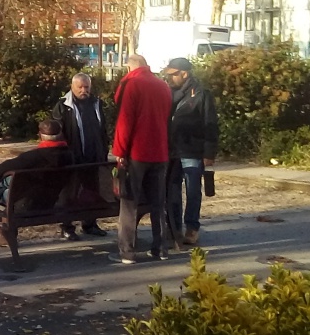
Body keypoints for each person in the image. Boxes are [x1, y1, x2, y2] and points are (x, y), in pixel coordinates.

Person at [110, 55, 172, 265]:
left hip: (137, 153)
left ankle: (127, 252)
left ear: (130, 66)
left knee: (129, 203)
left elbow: (125, 121)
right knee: (158, 203)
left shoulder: (132, 84)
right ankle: (160, 248)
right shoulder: (163, 85)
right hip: (160, 152)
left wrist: (119, 150)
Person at [163, 58, 218, 247]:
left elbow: (210, 124)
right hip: (172, 150)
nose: (169, 77)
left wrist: (209, 153)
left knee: (193, 191)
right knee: (172, 191)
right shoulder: (168, 93)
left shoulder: (202, 94)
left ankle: (192, 228)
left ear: (184, 73)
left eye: (173, 74)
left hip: (193, 151)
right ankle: (174, 228)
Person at [0, 120, 75, 217]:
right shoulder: (70, 156)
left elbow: (0, 169)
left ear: (40, 135)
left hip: (27, 203)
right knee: (12, 181)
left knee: (5, 180)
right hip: (55, 201)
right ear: (61, 135)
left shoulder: (32, 157)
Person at [51, 72, 110, 240]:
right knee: (69, 194)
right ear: (72, 87)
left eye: (87, 87)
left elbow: (103, 129)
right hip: (74, 159)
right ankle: (67, 227)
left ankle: (90, 223)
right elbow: (58, 133)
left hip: (94, 157)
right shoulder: (63, 106)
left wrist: (103, 151)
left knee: (92, 192)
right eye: (80, 87)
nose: (84, 90)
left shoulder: (96, 103)